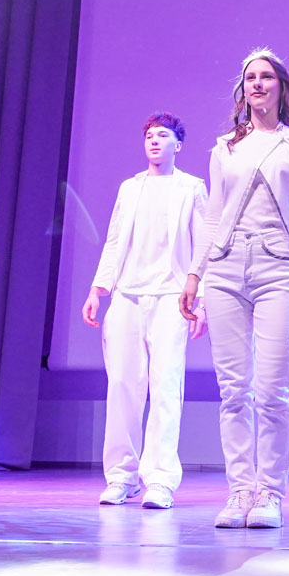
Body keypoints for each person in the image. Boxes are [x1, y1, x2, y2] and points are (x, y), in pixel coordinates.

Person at [180, 48, 289, 530]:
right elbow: (213, 215)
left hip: (277, 267)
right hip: (225, 268)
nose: (257, 84)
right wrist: (195, 275)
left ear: (282, 87)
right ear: (242, 90)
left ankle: (270, 493)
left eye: (266, 77)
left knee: (272, 390)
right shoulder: (224, 148)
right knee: (233, 391)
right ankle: (239, 490)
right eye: (250, 78)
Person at [81, 113, 208, 510]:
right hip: (127, 295)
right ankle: (121, 476)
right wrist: (98, 289)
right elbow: (115, 240)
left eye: (163, 135)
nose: (154, 140)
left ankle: (160, 480)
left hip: (171, 297)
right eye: (150, 135)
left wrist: (202, 299)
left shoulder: (192, 188)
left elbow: (203, 245)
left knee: (165, 387)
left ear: (177, 145)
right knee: (122, 385)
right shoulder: (130, 187)